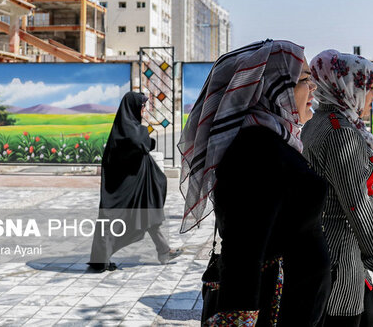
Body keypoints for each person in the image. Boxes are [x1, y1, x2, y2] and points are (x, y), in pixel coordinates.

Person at [178, 39, 331, 326]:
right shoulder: (257, 150)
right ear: (273, 87)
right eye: (305, 80)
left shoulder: (272, 141)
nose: (313, 89)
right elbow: (243, 251)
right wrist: (239, 318)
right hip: (278, 309)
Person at [301, 50, 373, 327]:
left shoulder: (319, 122)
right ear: (348, 88)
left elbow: (330, 181)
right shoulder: (340, 133)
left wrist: (372, 189)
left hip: (331, 252)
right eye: (369, 87)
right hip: (340, 259)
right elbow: (355, 209)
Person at [88, 91, 180, 272]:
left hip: (138, 185)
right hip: (124, 187)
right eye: (143, 106)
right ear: (133, 108)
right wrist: (146, 138)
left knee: (148, 214)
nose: (145, 110)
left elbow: (141, 145)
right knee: (114, 221)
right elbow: (137, 144)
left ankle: (164, 250)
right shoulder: (129, 129)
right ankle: (100, 259)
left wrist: (147, 140)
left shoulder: (129, 127)